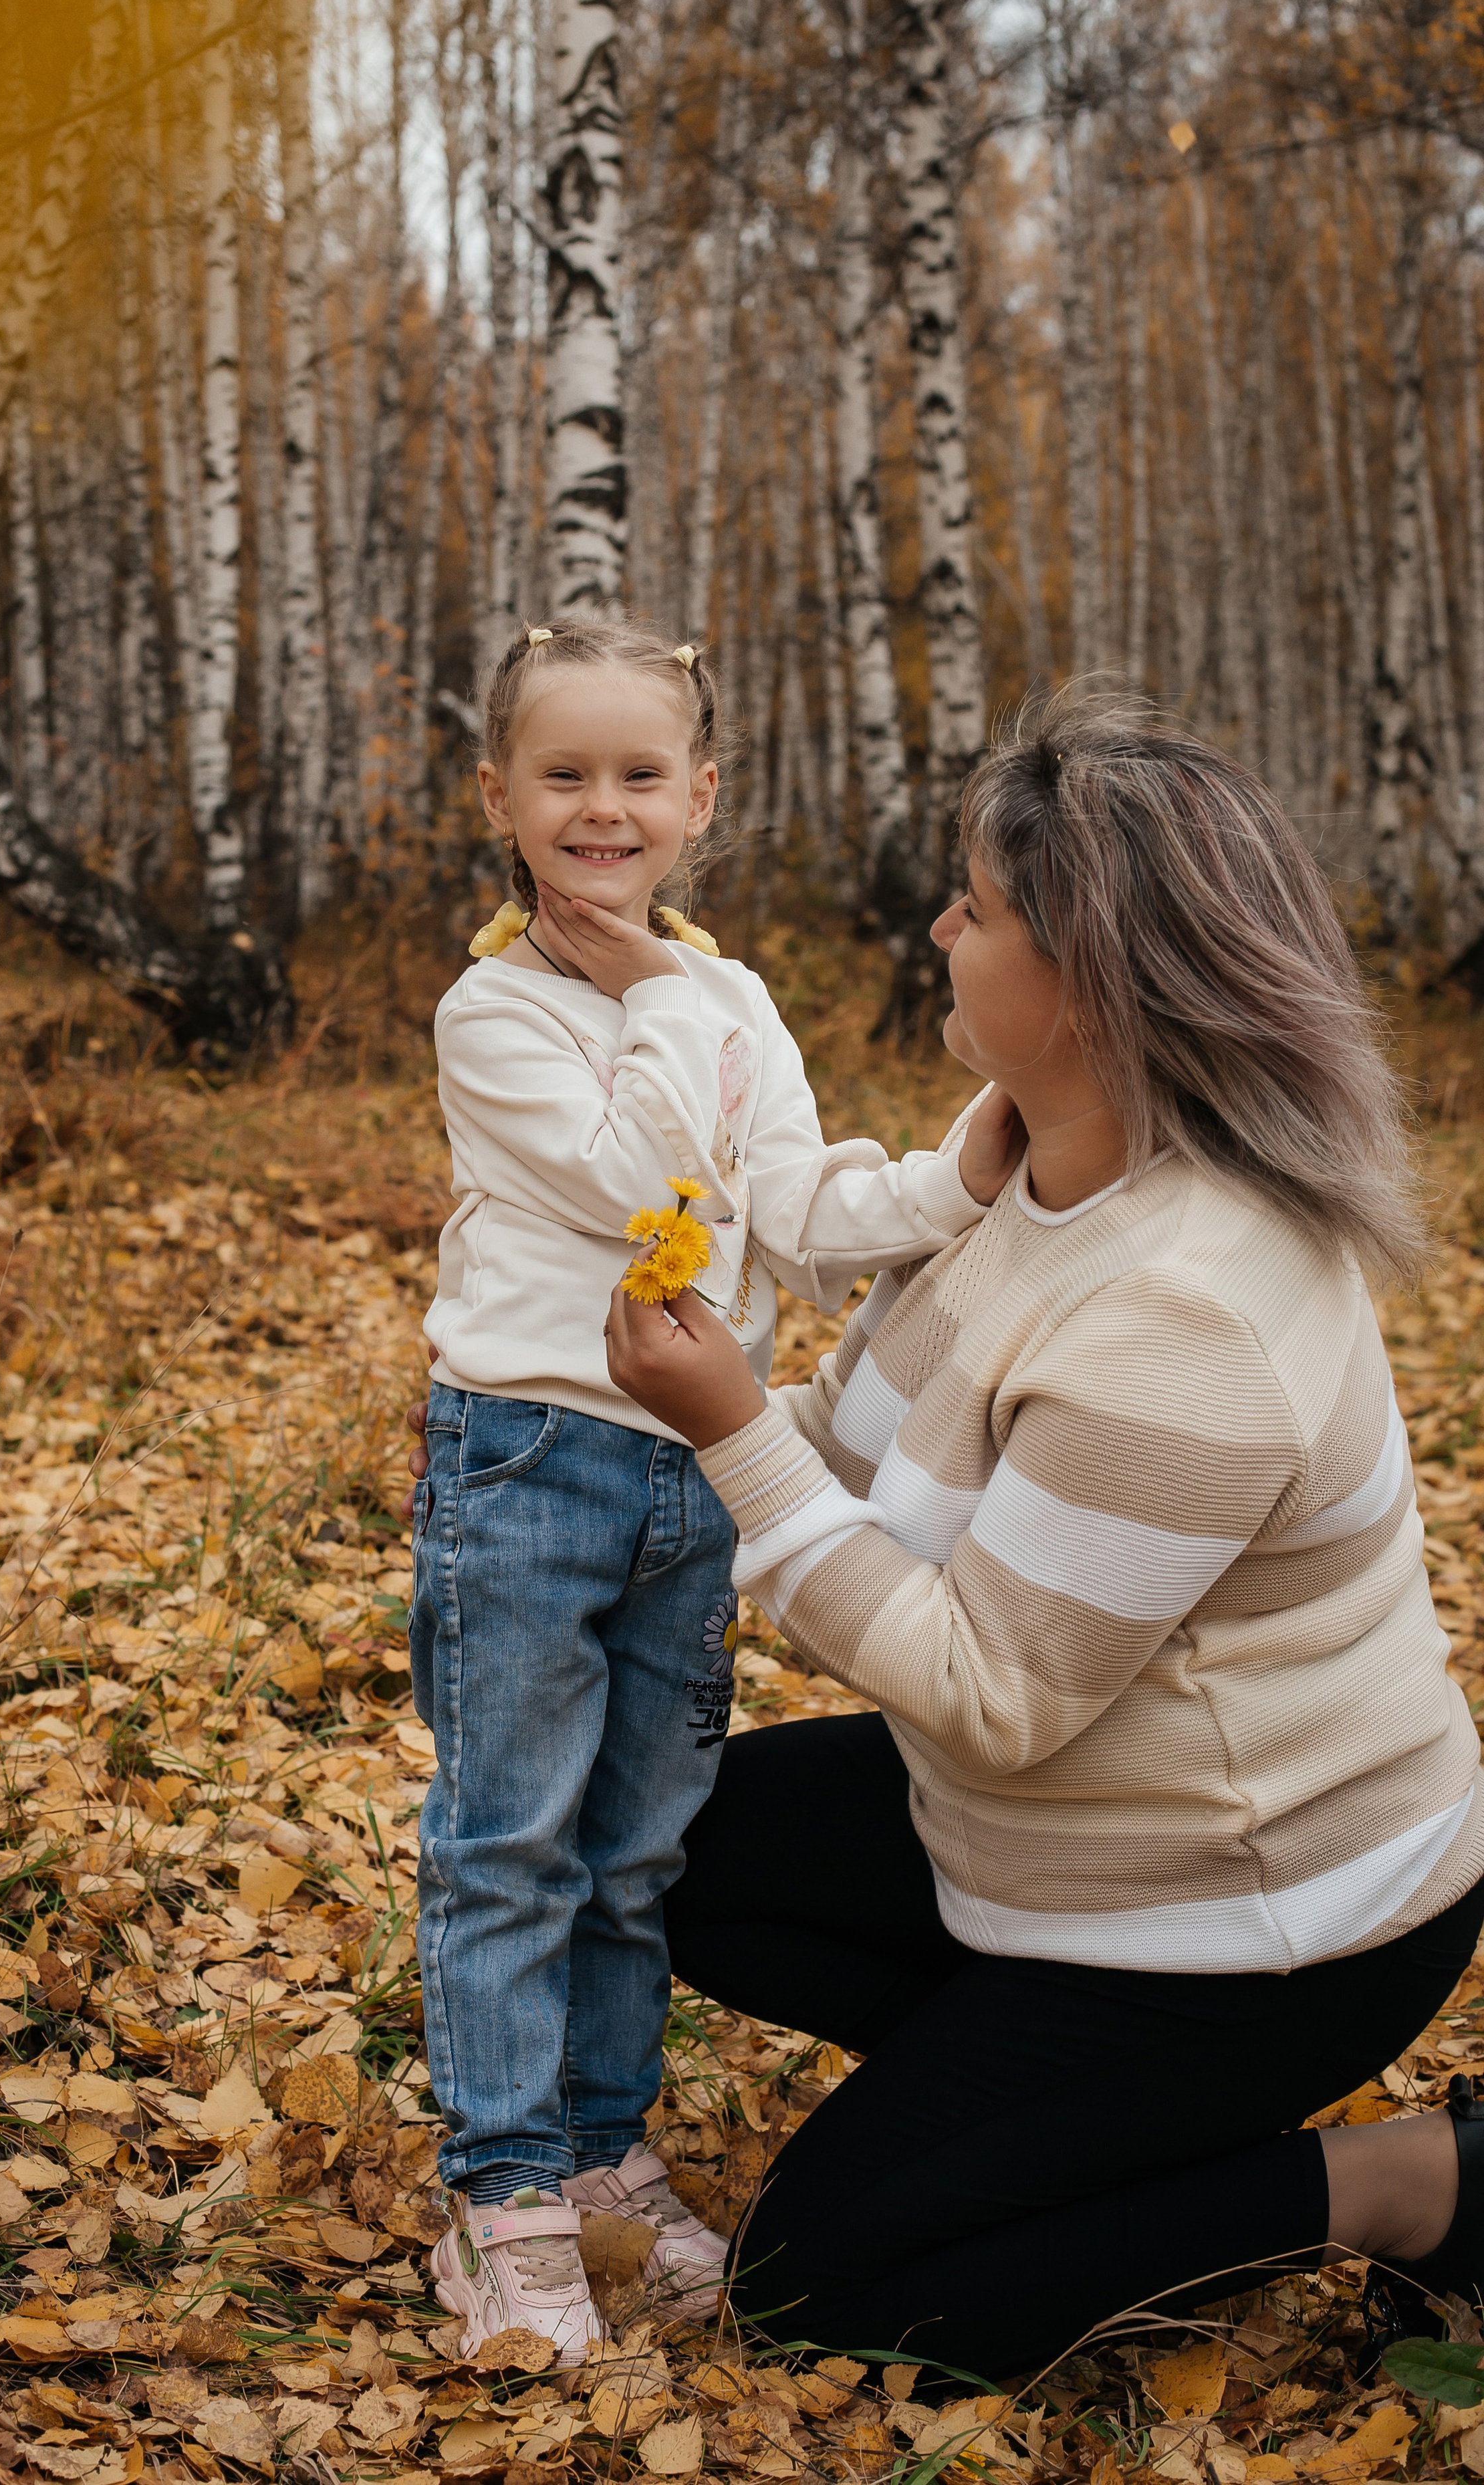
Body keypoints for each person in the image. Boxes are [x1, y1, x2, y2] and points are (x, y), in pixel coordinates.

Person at [600, 683, 1484, 2380]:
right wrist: (591, 1452)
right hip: (1039, 1837)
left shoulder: (1188, 1312)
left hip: (1253, 1915)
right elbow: (842, 1457)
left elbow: (992, 1689)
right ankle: (1060, 2129)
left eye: (975, 904)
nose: (935, 924)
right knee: (652, 1845)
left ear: (1087, 981)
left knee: (819, 2291)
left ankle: (1396, 2183)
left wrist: (724, 1438)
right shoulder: (1024, 1173)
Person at [410, 617, 1025, 2365]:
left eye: (636, 776)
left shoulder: (730, 997)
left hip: (697, 1470)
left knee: (632, 1855)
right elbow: (644, 1181)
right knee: (512, 1845)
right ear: (502, 799)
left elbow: (792, 1213)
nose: (601, 812)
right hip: (529, 1458)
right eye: (563, 777)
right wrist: (670, 996)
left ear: (700, 796)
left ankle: (603, 2148)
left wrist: (952, 1176)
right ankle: (502, 2190)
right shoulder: (498, 1011)